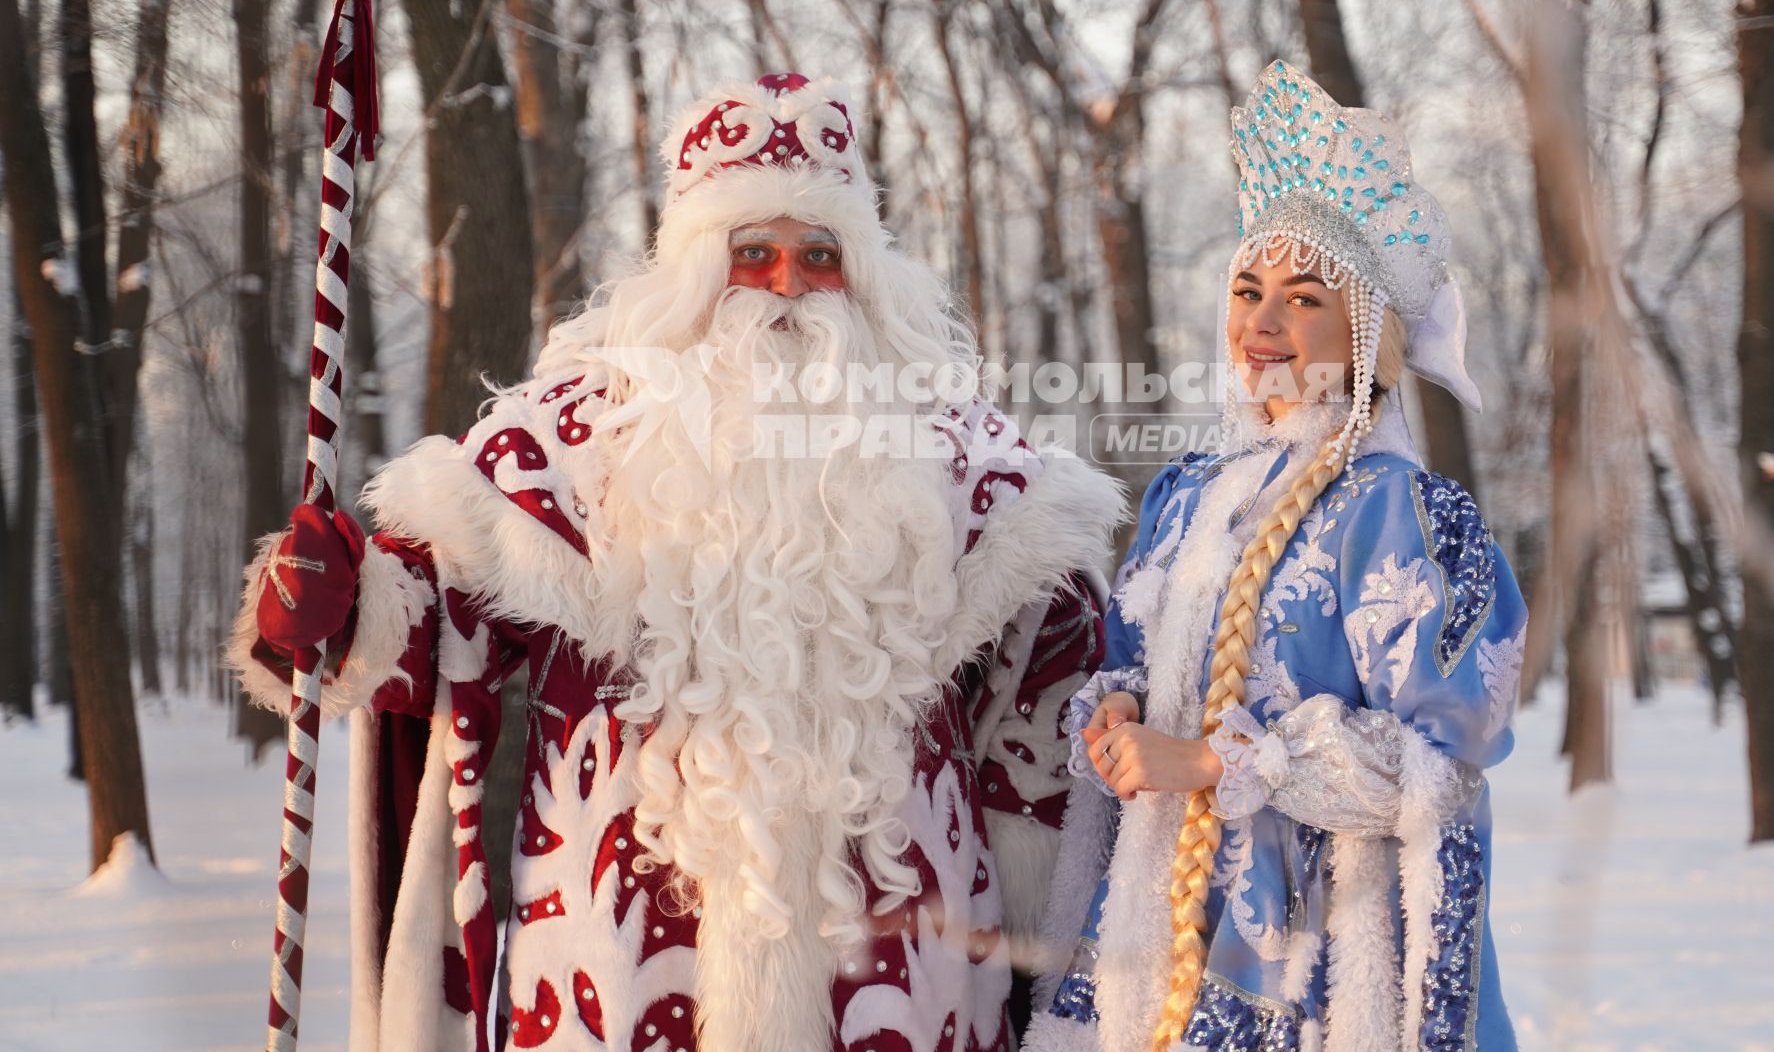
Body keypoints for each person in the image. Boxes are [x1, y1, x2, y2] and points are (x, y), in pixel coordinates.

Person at [230, 72, 1127, 1052]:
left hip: (906, 973)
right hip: (614, 963)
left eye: (819, 254)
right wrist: (333, 602)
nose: (786, 283)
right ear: (695, 271)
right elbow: (433, 628)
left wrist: (1061, 968)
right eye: (754, 253)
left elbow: (1051, 716)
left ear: (864, 275)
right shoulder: (568, 447)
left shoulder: (965, 466)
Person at [1024, 58, 1527, 1052]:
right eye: (1248, 288)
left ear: (1363, 327)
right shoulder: (1185, 497)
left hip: (1313, 964)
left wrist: (1215, 760)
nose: (1261, 318)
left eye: (1301, 296)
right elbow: (1135, 656)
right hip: (1148, 937)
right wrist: (1123, 707)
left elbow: (1436, 761)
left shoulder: (1403, 514)